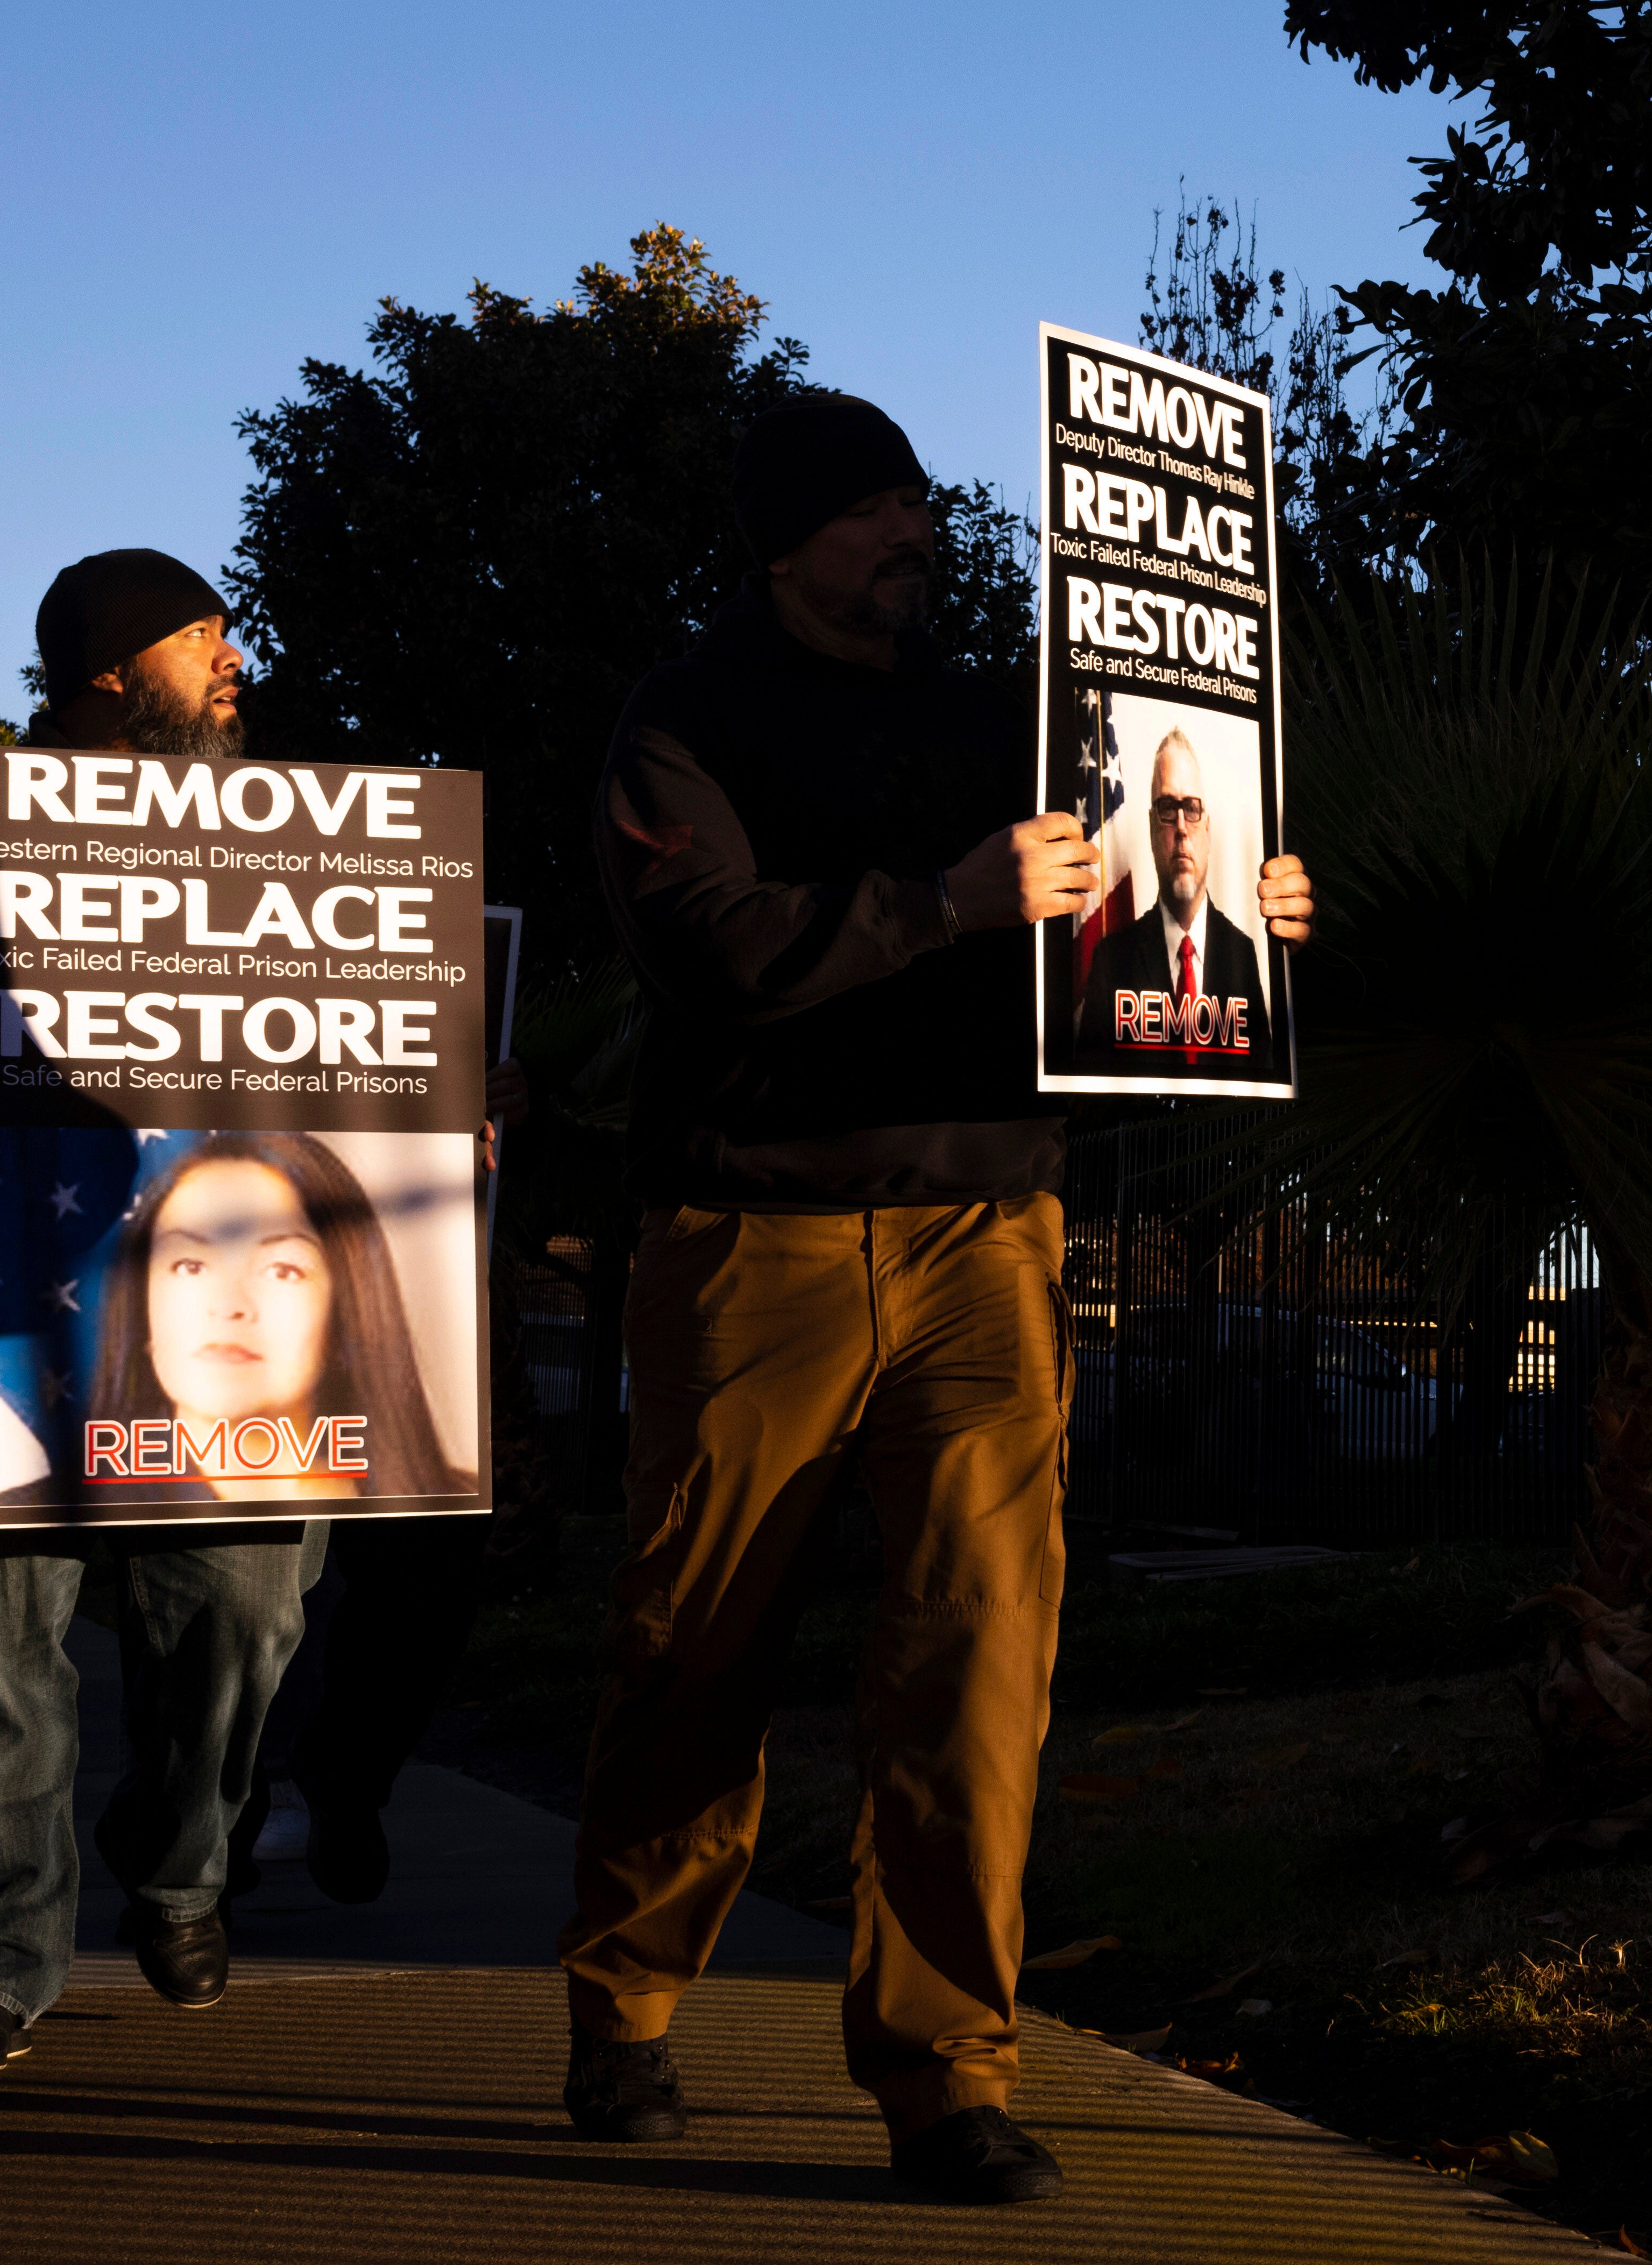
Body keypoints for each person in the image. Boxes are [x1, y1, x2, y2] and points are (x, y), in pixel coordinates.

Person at [556, 393, 1310, 2206]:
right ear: (786, 541)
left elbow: (1124, 913)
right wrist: (946, 902)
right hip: (758, 1235)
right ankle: (631, 1997)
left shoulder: (1014, 716)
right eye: (872, 508)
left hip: (991, 1226)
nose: (913, 530)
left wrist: (1249, 920)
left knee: (978, 1649)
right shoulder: (686, 717)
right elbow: (717, 948)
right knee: (702, 1636)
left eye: (917, 501)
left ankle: (947, 2069)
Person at [0, 551, 323, 2074]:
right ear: (107, 667)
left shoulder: (294, 839)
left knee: (244, 1608)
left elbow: (375, 1047)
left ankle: (183, 1853)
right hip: (0, 1312)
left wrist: (453, 1111)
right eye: (200, 633)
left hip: (224, 1329)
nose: (234, 657)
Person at [82, 1133, 455, 1508]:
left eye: (282, 1270)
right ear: (141, 1311)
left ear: (346, 1312)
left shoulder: (452, 1502)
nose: (228, 1305)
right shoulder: (57, 1510)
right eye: (189, 1265)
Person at [1080, 728, 1267, 1056]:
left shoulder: (1242, 954)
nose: (1181, 827)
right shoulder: (1110, 960)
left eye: (1192, 808)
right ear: (1153, 829)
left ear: (1207, 831)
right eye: (1168, 807)